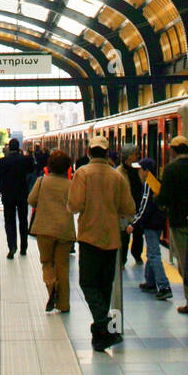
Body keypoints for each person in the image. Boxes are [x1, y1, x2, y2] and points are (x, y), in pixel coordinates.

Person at [68, 135, 136, 350]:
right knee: (105, 286)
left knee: (87, 283)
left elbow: (75, 205)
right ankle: (100, 337)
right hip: (112, 238)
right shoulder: (117, 177)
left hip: (89, 236)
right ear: (107, 153)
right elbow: (129, 208)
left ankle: (103, 325)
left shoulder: (83, 173)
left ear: (89, 152)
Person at [158, 135, 188, 315]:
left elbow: (165, 198)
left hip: (179, 221)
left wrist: (158, 199)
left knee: (185, 262)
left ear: (174, 150)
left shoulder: (170, 169)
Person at [28, 148, 75, 311]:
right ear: (67, 167)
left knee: (47, 262)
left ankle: (52, 288)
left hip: (44, 229)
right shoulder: (71, 185)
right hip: (65, 230)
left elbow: (31, 200)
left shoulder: (42, 181)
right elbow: (76, 206)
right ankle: (64, 304)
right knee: (63, 266)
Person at [131, 156, 173, 301]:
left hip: (151, 224)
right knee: (151, 252)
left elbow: (144, 208)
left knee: (154, 254)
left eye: (140, 170)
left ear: (146, 171)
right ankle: (150, 282)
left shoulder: (149, 185)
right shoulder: (157, 183)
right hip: (158, 222)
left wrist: (133, 223)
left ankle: (164, 286)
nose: (138, 173)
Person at [0, 137, 32, 258]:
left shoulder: (3, 161)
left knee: (9, 221)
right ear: (18, 147)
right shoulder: (25, 160)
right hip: (22, 194)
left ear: (9, 147)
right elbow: (31, 171)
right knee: (23, 220)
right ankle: (24, 247)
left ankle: (12, 247)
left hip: (8, 194)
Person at [119, 144, 144, 266]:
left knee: (139, 234)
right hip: (126, 208)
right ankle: (122, 260)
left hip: (139, 207)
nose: (138, 157)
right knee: (124, 235)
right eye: (136, 155)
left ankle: (137, 254)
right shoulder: (119, 172)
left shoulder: (141, 170)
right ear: (128, 157)